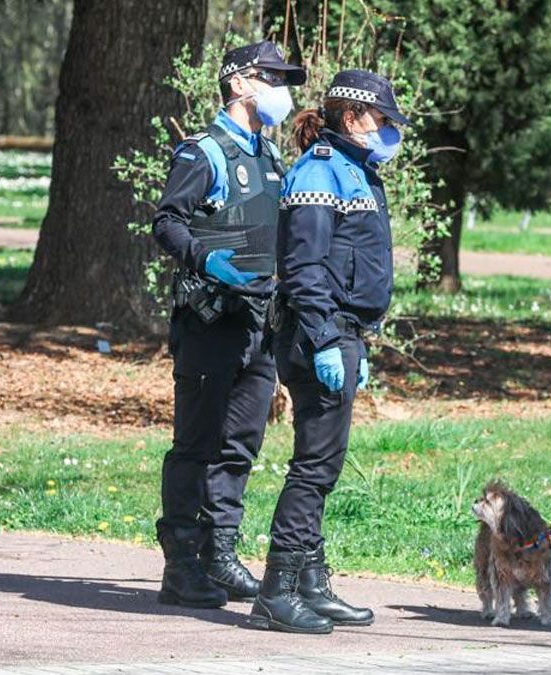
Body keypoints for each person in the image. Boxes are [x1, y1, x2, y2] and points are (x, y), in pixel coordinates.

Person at [246, 70, 407, 634]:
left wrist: (354, 339)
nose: (388, 130)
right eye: (382, 120)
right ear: (352, 117)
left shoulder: (355, 171)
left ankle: (311, 583)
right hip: (320, 332)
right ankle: (276, 589)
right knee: (313, 467)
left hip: (343, 333)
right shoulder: (319, 171)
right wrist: (322, 340)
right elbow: (305, 268)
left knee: (325, 463)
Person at [150, 41, 305, 609]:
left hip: (258, 326)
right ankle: (181, 565)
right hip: (210, 324)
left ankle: (219, 556)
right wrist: (205, 260)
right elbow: (166, 223)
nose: (282, 90)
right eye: (273, 78)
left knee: (239, 446)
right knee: (195, 445)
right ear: (240, 83)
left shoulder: (268, 156)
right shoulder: (204, 153)